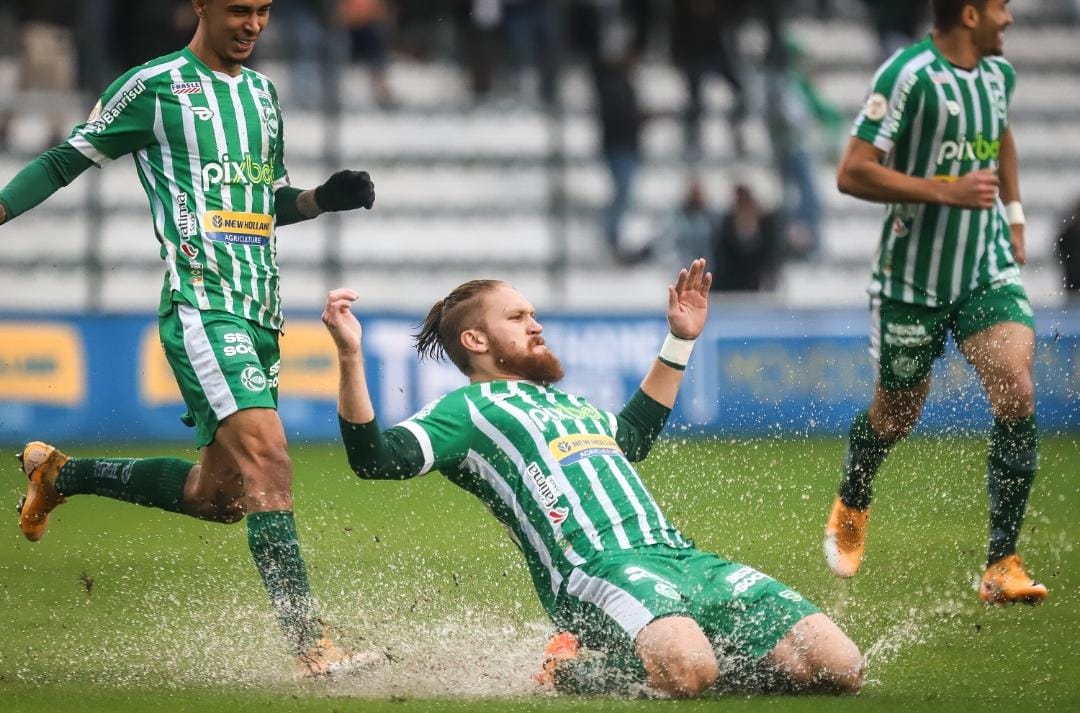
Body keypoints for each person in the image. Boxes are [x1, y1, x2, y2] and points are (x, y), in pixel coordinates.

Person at [0, 0, 381, 675]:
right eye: (239, 10)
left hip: (262, 313)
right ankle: (311, 648)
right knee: (271, 461)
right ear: (201, 4)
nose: (253, 24)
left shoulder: (262, 96)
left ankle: (61, 474)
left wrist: (321, 198)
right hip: (203, 306)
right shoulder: (152, 87)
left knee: (221, 497)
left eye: (263, 10)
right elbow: (63, 160)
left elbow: (259, 204)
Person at [321, 259, 865, 697]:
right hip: (597, 571)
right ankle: (571, 669)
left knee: (840, 669)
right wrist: (350, 354)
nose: (535, 325)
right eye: (517, 317)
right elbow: (375, 458)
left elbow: (633, 437)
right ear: (476, 341)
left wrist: (679, 340)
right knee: (688, 673)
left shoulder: (571, 405)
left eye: (533, 314)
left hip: (683, 557)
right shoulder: (466, 411)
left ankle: (681, 654)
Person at [824, 0, 1048, 605]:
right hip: (912, 282)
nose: (1010, 18)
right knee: (895, 417)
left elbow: (1000, 134)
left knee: (1016, 387)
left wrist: (1014, 213)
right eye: (1001, 7)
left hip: (985, 267)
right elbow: (852, 172)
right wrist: (943, 191)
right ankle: (854, 497)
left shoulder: (999, 76)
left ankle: (1001, 564)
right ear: (970, 15)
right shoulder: (907, 76)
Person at [712, 184, 784, 292]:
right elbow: (722, 252)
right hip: (731, 279)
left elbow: (770, 251)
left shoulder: (765, 224)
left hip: (757, 279)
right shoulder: (728, 223)